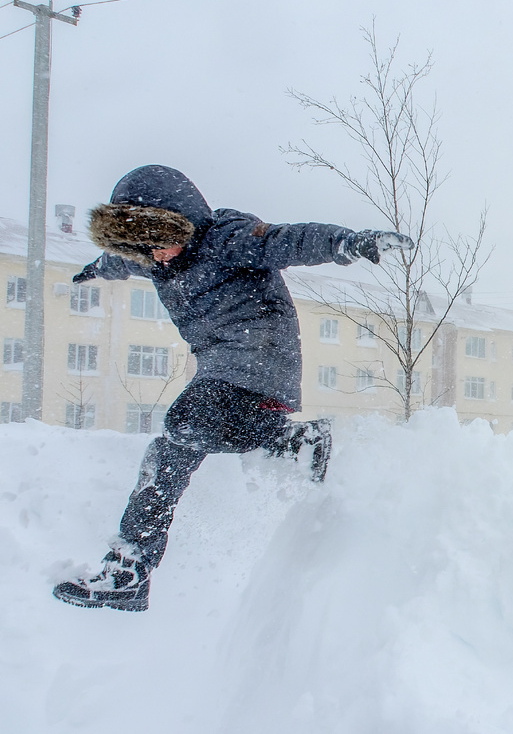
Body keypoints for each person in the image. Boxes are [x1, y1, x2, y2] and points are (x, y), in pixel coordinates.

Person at [52, 164, 412, 612]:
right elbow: (122, 260)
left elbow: (288, 239)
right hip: (221, 368)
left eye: (161, 242)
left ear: (182, 223)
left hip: (260, 358)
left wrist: (349, 242)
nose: (158, 257)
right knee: (188, 445)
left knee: (185, 425)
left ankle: (294, 441)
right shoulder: (155, 256)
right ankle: (131, 567)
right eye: (145, 250)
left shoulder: (226, 237)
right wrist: (97, 269)